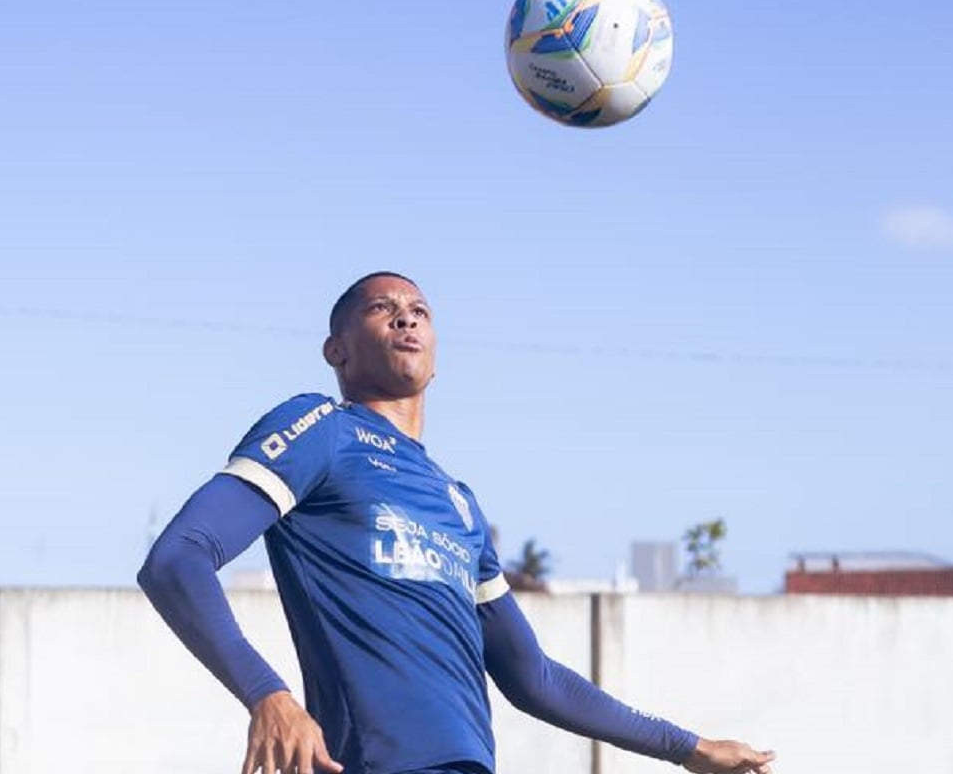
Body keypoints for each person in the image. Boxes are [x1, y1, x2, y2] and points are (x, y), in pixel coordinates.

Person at [138, 272, 775, 774]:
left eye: (419, 309)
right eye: (380, 307)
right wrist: (267, 695)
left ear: (437, 359)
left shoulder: (459, 502)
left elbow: (535, 678)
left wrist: (687, 748)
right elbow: (178, 559)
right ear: (336, 349)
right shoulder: (322, 429)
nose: (405, 315)